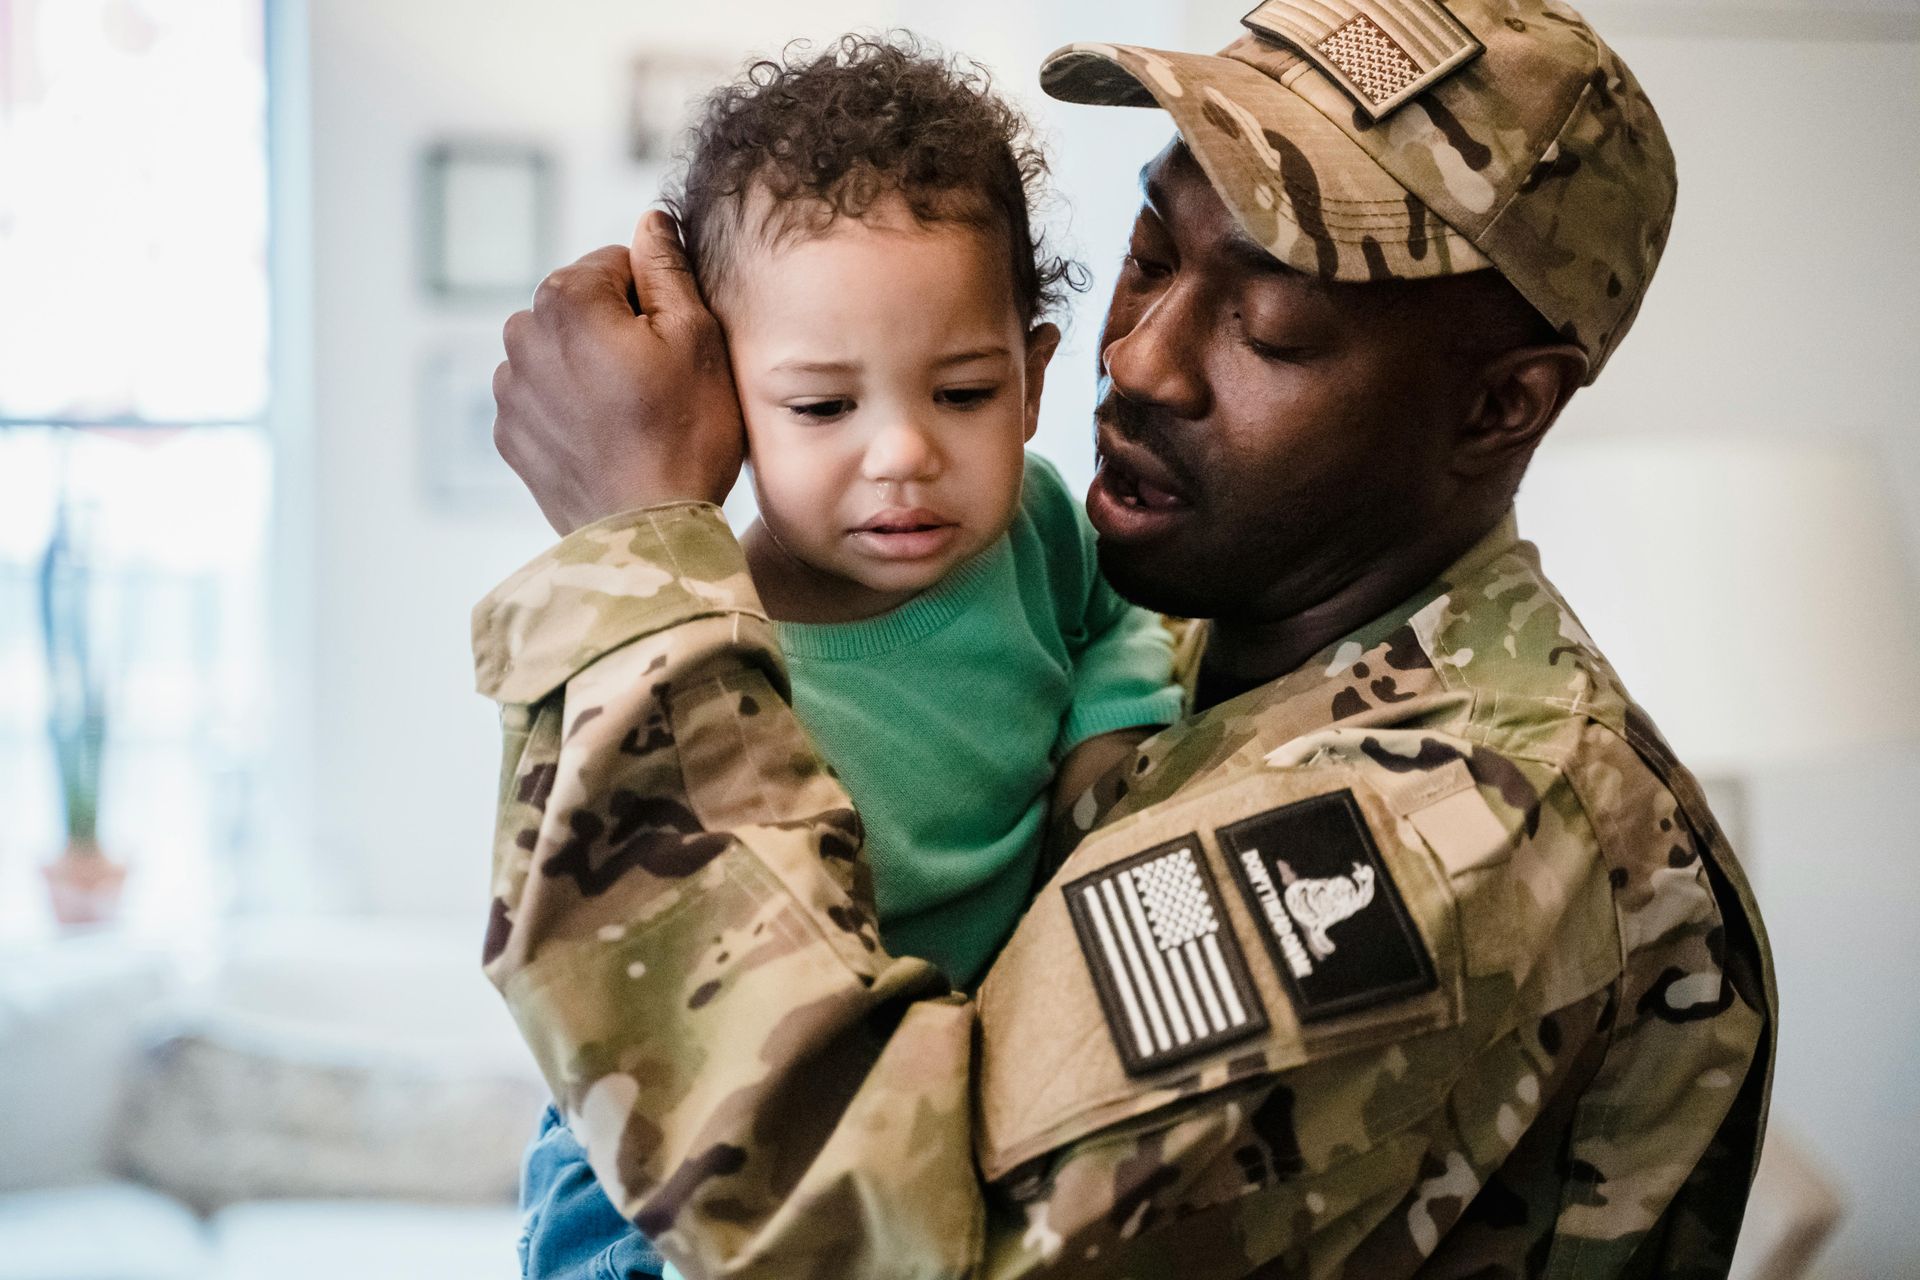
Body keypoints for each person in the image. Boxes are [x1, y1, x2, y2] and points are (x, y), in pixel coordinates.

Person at [479, 1, 1777, 1276]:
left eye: (1271, 328)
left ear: (1500, 406)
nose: (1141, 363)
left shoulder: (1454, 817)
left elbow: (894, 1243)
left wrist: (635, 558)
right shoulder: (1203, 634)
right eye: (1150, 257)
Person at [508, 37, 1186, 1278]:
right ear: (723, 408)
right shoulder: (705, 638)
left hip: (923, 1074)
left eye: (963, 392)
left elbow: (1111, 620)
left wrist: (1112, 740)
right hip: (661, 1148)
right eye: (823, 407)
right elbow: (600, 901)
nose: (903, 454)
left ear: (1035, 377)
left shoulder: (1037, 524)